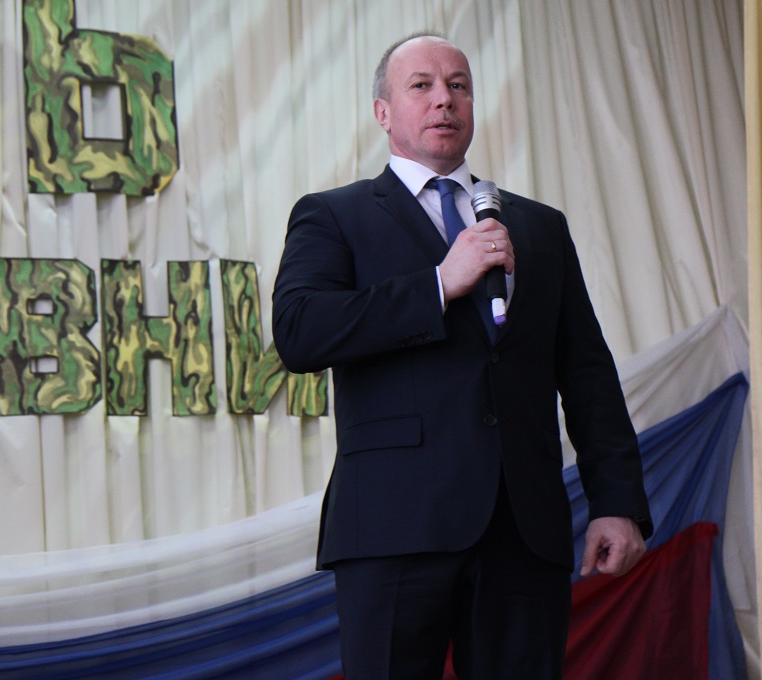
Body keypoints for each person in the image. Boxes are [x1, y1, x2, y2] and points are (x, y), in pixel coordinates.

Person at [271, 32, 653, 679]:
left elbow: (586, 372)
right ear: (383, 112)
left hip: (522, 530)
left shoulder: (538, 227)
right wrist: (439, 285)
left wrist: (616, 500)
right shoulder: (335, 216)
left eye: (459, 86)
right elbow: (299, 332)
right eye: (421, 86)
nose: (444, 100)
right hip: (392, 528)